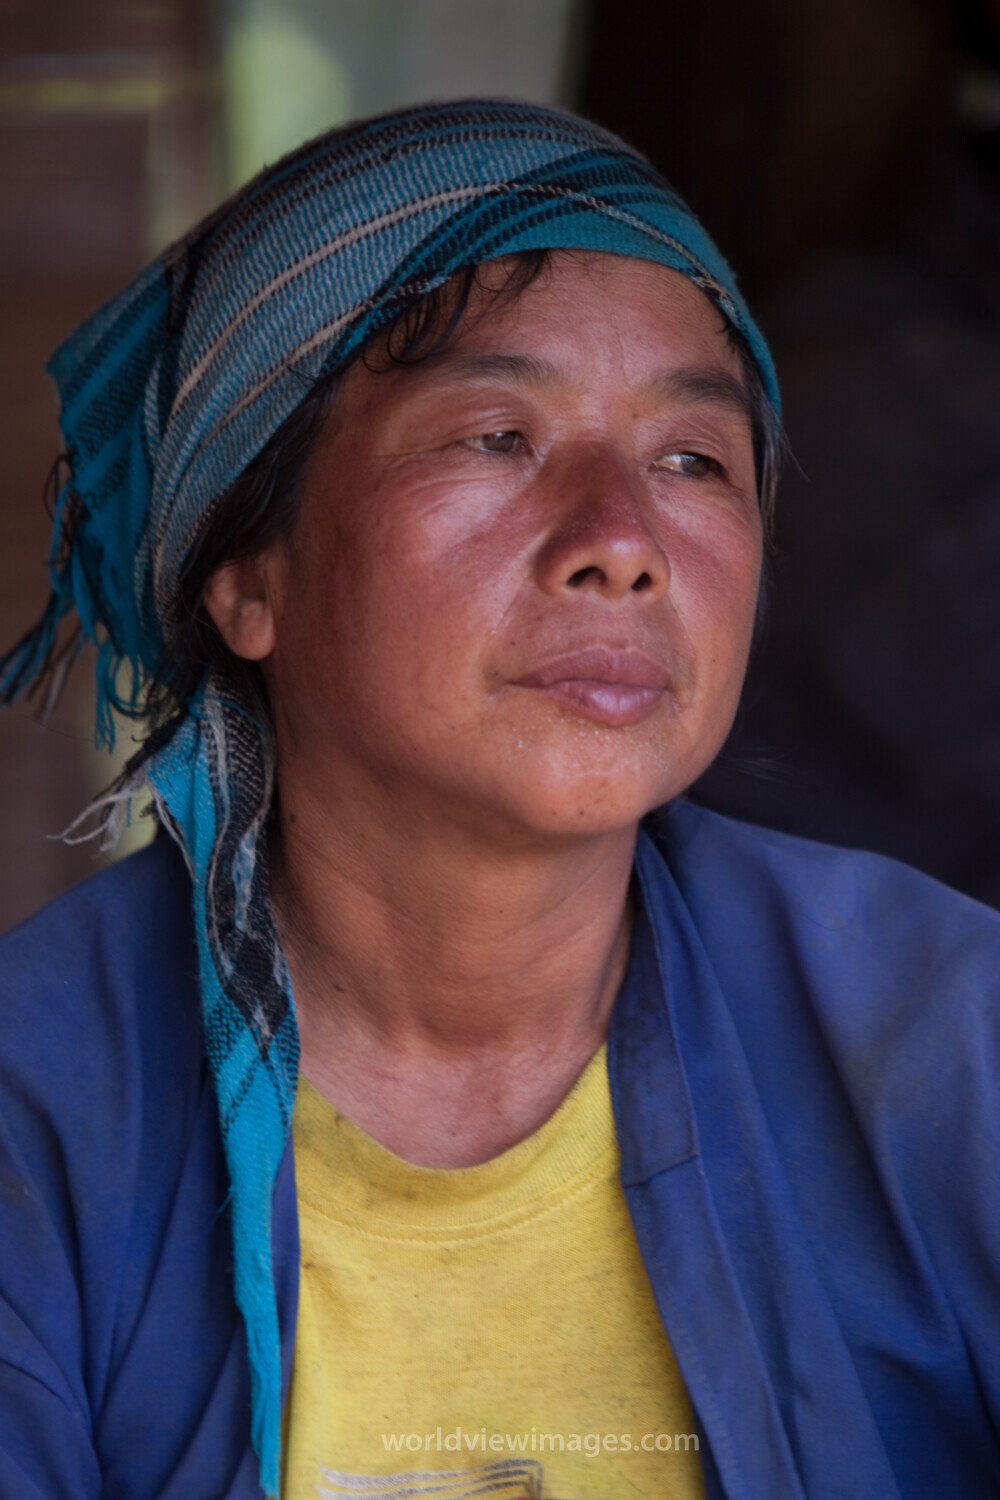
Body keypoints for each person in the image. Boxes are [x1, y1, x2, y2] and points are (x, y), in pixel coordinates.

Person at [0, 99, 998, 1500]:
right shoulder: (37, 1118)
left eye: (692, 461)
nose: (620, 544)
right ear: (248, 572)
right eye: (495, 436)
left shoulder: (947, 1044)